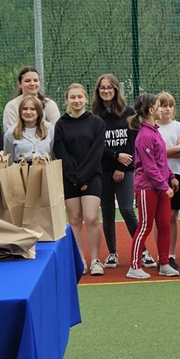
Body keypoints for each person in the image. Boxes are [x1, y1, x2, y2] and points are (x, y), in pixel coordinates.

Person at [124, 93, 178, 278]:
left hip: (160, 186)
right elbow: (149, 167)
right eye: (158, 106)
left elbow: (161, 160)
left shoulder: (155, 131)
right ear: (150, 110)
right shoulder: (145, 136)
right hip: (148, 188)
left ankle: (164, 263)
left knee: (164, 224)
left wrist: (170, 176)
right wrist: (165, 186)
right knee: (145, 225)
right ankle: (134, 266)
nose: (162, 109)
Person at [54, 82, 106, 272]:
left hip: (91, 177)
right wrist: (75, 178)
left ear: (86, 98)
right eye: (72, 97)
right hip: (70, 178)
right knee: (74, 219)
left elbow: (96, 153)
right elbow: (61, 153)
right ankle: (80, 261)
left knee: (91, 218)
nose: (76, 100)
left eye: (79, 97)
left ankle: (95, 260)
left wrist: (83, 178)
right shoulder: (60, 124)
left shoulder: (97, 123)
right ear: (67, 99)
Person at [91, 73, 138, 269]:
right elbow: (95, 146)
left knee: (127, 209)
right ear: (98, 91)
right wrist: (114, 156)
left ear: (116, 90)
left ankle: (141, 250)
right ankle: (112, 253)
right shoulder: (94, 116)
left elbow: (133, 142)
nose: (106, 91)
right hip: (103, 170)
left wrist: (121, 165)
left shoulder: (128, 112)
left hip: (125, 169)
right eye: (102, 88)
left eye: (109, 87)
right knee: (107, 210)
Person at [155, 91, 180, 225]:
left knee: (172, 215)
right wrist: (176, 148)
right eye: (164, 106)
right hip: (156, 174)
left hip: (176, 173)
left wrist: (161, 152)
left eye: (170, 106)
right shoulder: (152, 128)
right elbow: (151, 155)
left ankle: (171, 247)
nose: (167, 109)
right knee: (160, 216)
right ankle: (161, 246)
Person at [1, 66, 61, 138]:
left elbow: (56, 131)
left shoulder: (49, 104)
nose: (32, 84)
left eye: (35, 80)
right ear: (19, 84)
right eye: (28, 81)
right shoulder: (11, 106)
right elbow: (10, 134)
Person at [8, 92, 54, 163]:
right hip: (21, 172)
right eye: (25, 109)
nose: (28, 112)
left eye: (32, 109)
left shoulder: (50, 129)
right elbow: (8, 160)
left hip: (45, 170)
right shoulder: (11, 132)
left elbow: (54, 156)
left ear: (39, 112)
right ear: (20, 111)